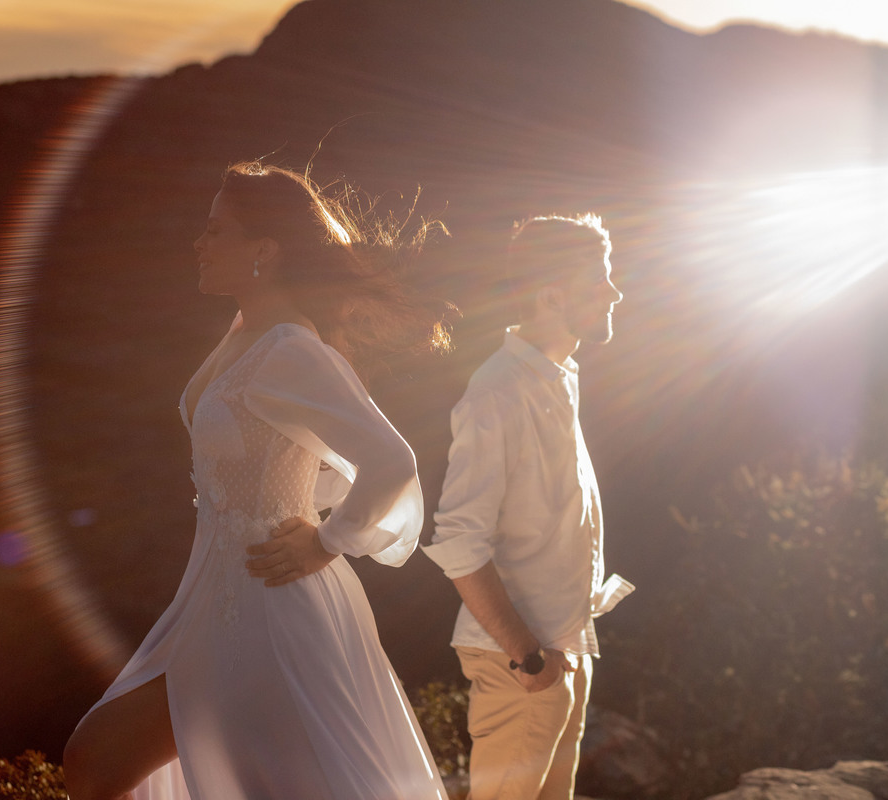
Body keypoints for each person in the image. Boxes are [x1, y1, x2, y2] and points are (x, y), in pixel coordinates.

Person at [64, 161, 452, 800]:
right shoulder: (247, 333)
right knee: (100, 763)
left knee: (99, 761)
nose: (198, 243)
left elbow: (392, 461)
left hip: (270, 605)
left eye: (216, 230)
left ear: (264, 251)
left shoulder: (290, 349)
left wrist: (326, 541)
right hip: (216, 599)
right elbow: (278, 458)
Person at [422, 214, 635, 800]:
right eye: (600, 279)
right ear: (551, 296)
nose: (614, 293)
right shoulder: (499, 392)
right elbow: (458, 540)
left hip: (565, 645)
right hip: (520, 661)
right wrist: (528, 658)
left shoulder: (555, 377)